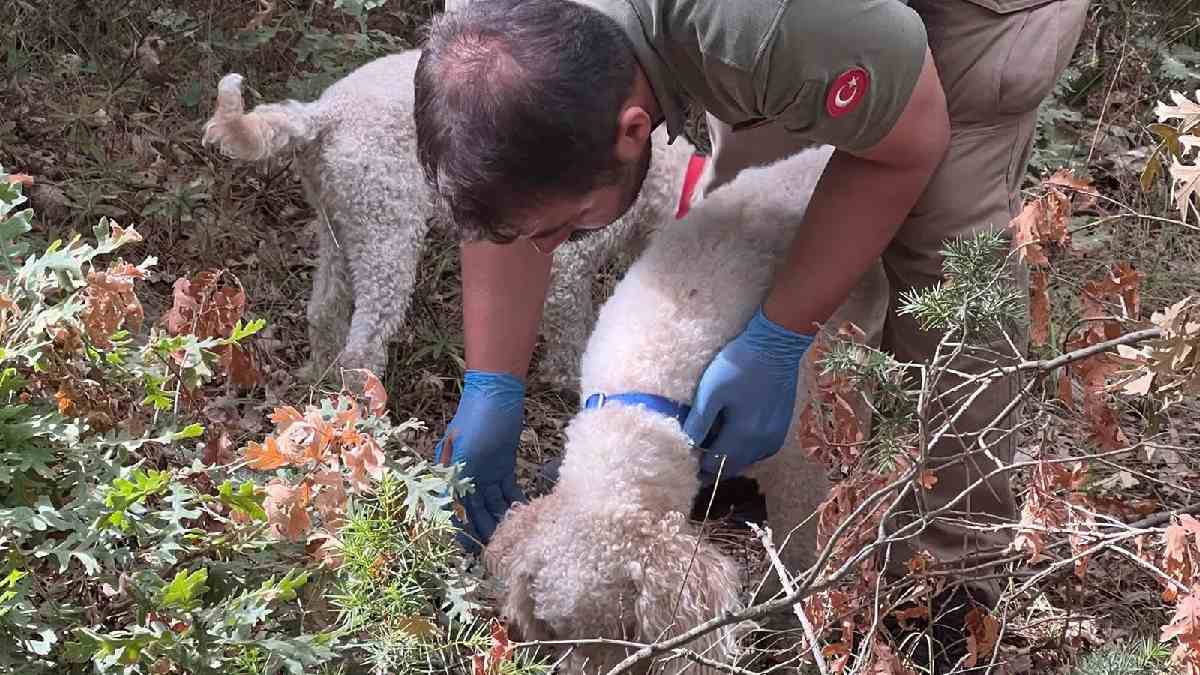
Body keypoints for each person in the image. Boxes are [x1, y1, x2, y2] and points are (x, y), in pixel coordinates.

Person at [414, 0, 1087, 665]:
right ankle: (749, 504)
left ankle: (947, 590)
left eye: (568, 226)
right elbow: (512, 180)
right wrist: (492, 383)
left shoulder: (757, 25)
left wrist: (778, 338)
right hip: (793, 32)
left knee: (949, 267)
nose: (548, 247)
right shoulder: (491, 29)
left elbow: (911, 135)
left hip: (945, 20)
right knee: (759, 196)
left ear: (632, 128)